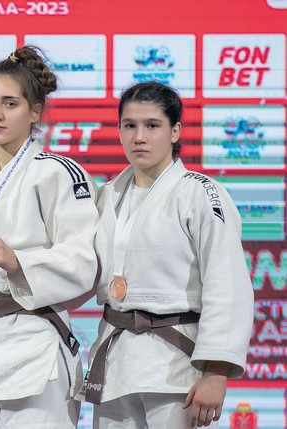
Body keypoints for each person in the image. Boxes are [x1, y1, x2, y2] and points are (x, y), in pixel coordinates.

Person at [0, 46, 100, 428]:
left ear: (35, 112)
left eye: (10, 103)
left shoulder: (58, 173)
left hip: (32, 344)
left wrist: (20, 262)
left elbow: (84, 260)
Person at [79, 81, 254, 428]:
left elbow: (228, 284)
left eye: (152, 125)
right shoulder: (107, 195)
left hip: (176, 364)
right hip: (116, 361)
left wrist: (216, 372)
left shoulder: (201, 194)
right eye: (129, 126)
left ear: (175, 132)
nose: (139, 137)